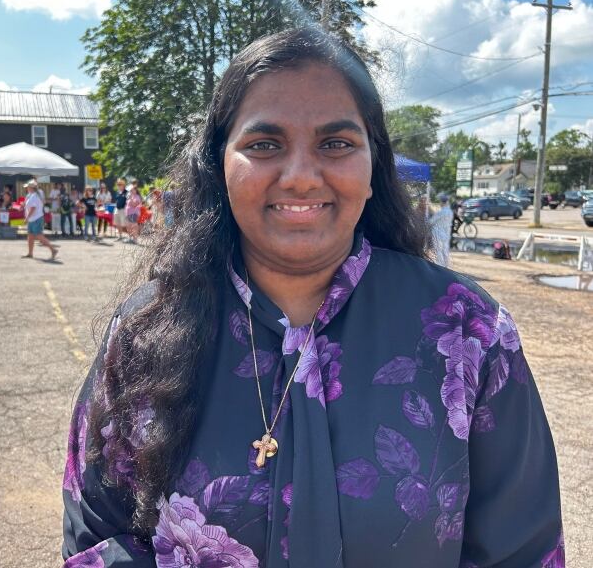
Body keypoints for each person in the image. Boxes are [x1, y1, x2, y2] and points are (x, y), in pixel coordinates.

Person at [61, 29, 563, 568]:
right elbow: (94, 535)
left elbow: (523, 549)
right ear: (219, 166)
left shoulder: (466, 331)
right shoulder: (146, 330)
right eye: (264, 144)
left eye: (336, 144)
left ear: (374, 168)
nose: (301, 177)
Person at [22, 180, 58, 260]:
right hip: (33, 219)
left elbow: (33, 208)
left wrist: (27, 218)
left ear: (31, 188)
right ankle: (30, 253)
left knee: (39, 236)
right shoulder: (31, 195)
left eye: (27, 187)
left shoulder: (34, 196)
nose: (26, 188)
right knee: (30, 236)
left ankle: (53, 250)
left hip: (36, 219)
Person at [428, 194, 454, 267]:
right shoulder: (450, 212)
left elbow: (431, 222)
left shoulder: (441, 212)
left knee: (438, 251)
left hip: (438, 234)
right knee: (445, 251)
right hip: (446, 233)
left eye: (440, 202)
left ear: (443, 202)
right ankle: (446, 266)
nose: (440, 203)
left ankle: (440, 266)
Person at [125, 179, 142, 244]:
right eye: (131, 190)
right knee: (128, 226)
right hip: (128, 213)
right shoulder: (130, 196)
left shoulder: (137, 197)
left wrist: (131, 198)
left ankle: (135, 239)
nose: (131, 191)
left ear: (135, 190)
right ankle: (130, 238)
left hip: (134, 213)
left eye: (132, 190)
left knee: (134, 226)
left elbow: (134, 205)